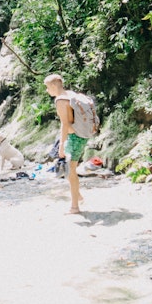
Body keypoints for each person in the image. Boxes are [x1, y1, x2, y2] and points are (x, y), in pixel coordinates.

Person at [44, 74, 86, 214]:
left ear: (55, 85)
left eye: (48, 87)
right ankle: (78, 196)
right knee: (69, 170)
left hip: (74, 137)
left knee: (70, 171)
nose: (47, 90)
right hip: (81, 135)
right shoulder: (71, 94)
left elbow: (65, 124)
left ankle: (75, 207)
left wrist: (61, 145)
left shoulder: (61, 100)